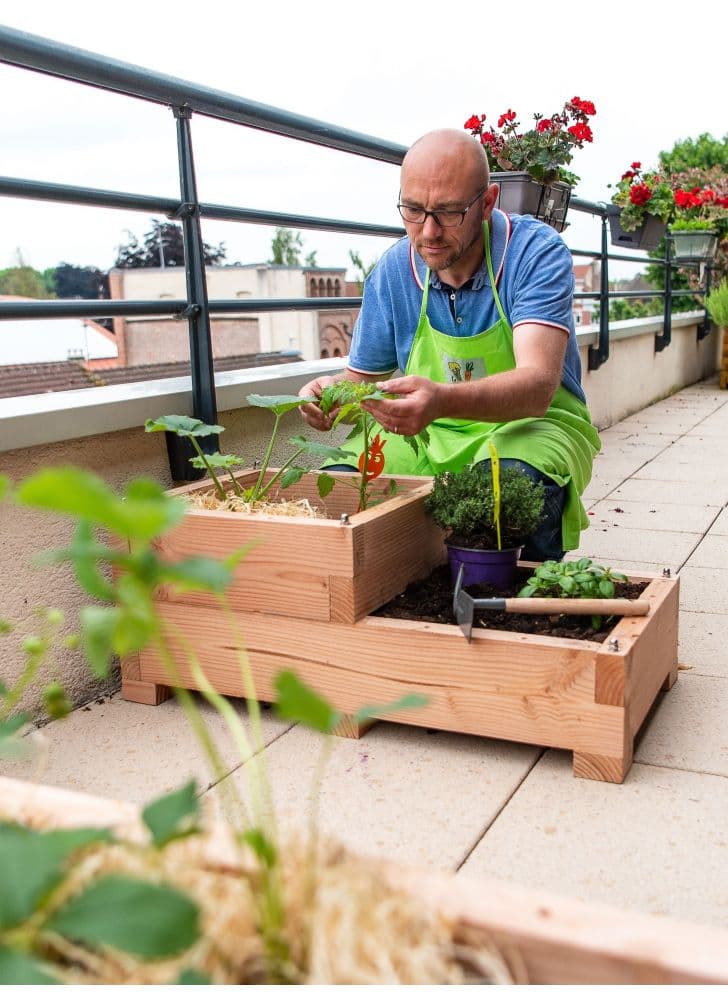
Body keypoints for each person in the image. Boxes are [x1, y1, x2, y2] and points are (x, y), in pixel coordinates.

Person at [299, 128, 600, 561]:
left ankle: (519, 612)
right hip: (429, 430)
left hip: (530, 425)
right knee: (342, 485)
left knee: (512, 486)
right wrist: (328, 396)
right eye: (414, 210)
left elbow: (537, 387)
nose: (428, 232)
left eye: (448, 212)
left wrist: (439, 400)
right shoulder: (392, 272)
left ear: (489, 202)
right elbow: (358, 384)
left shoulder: (534, 253)